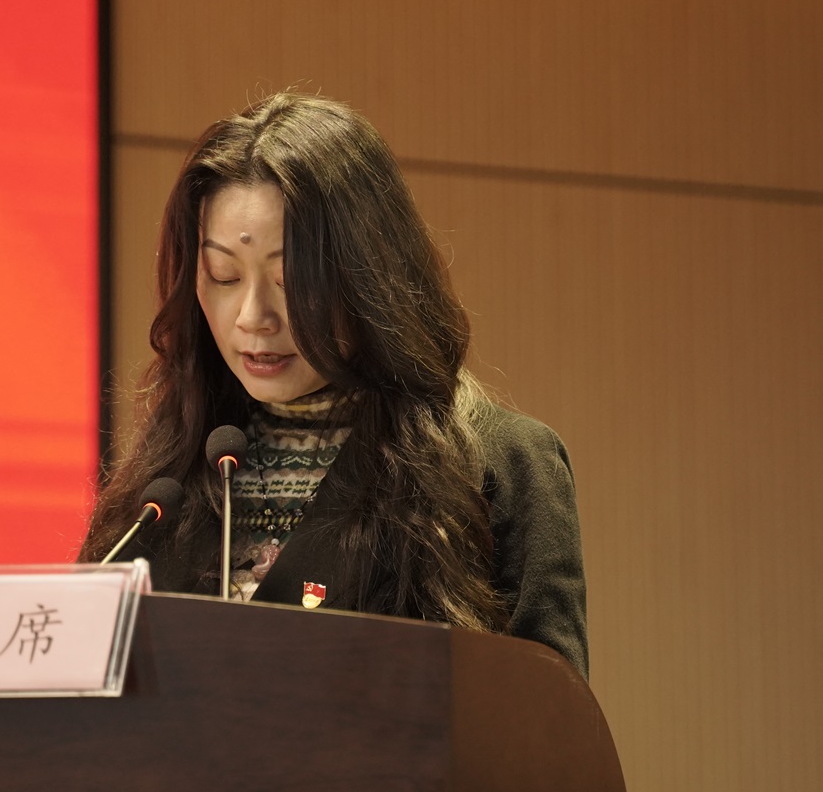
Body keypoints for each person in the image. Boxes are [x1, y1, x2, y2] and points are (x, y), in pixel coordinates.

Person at [79, 93, 587, 680]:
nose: (253, 317)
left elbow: (550, 716)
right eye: (223, 275)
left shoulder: (500, 462)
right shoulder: (167, 481)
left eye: (291, 281)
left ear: (370, 276)